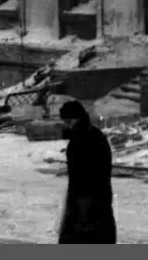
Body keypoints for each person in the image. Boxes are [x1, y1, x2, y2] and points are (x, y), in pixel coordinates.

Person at [58, 100, 117, 244]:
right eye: (65, 121)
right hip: (90, 201)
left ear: (78, 118)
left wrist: (81, 205)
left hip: (87, 203)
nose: (67, 125)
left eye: (69, 121)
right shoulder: (91, 136)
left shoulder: (85, 140)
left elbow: (91, 175)